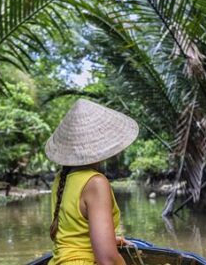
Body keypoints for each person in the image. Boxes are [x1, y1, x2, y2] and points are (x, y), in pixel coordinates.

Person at [45, 99, 139, 265]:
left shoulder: (62, 177)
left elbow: (73, 234)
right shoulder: (96, 183)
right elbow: (107, 260)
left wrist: (109, 240)